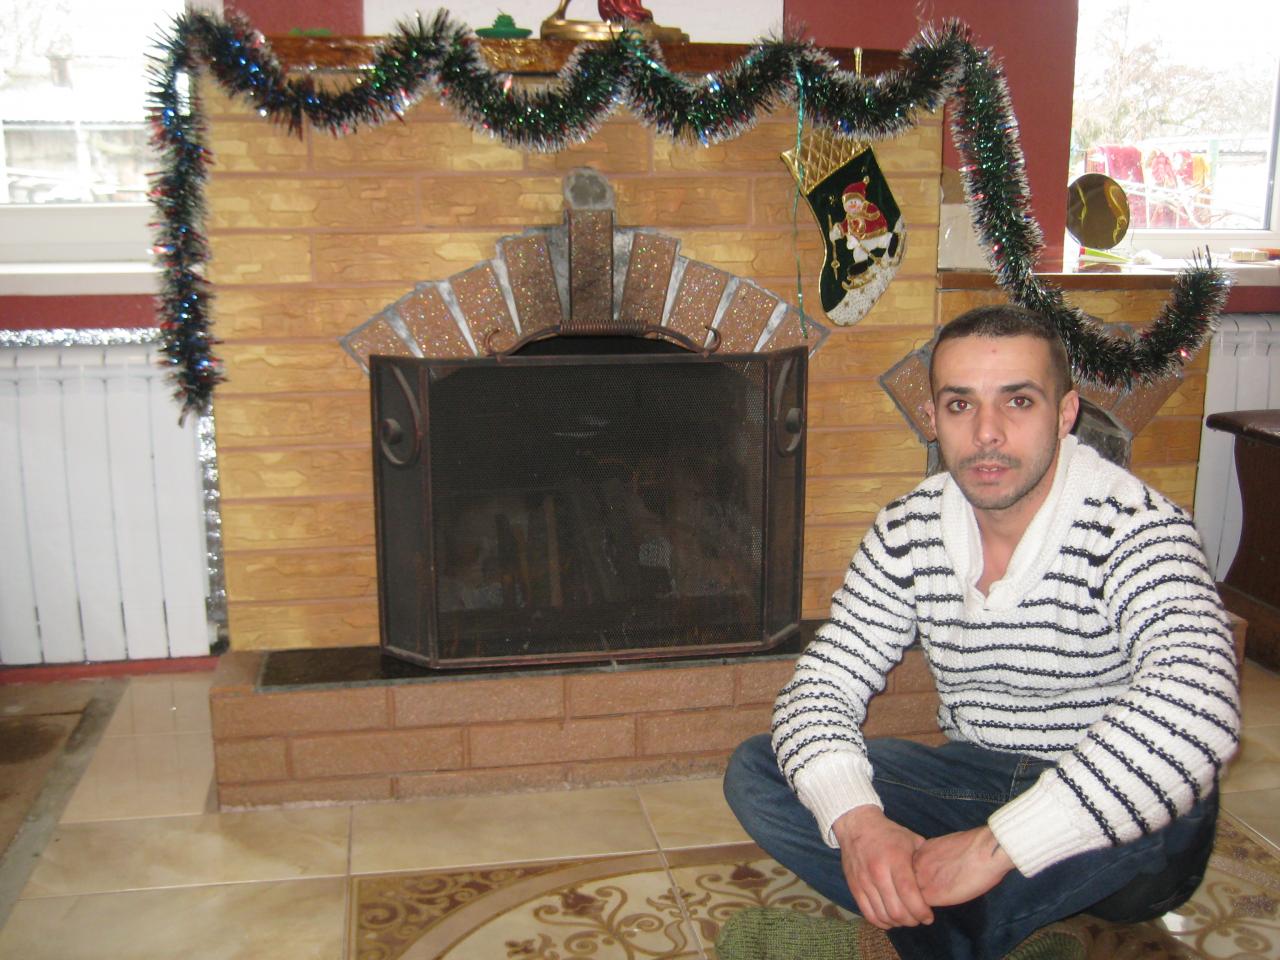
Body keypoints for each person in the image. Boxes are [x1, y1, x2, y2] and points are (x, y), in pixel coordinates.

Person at [719, 304, 1240, 960]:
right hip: (979, 777)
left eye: (1018, 401)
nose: (987, 433)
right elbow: (821, 686)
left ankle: (921, 940)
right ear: (933, 417)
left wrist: (995, 848)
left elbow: (1199, 706)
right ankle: (1013, 929)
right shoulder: (907, 530)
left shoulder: (1138, 529)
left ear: (1066, 412)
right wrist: (860, 827)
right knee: (762, 769)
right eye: (960, 405)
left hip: (1104, 804)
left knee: (1174, 789)